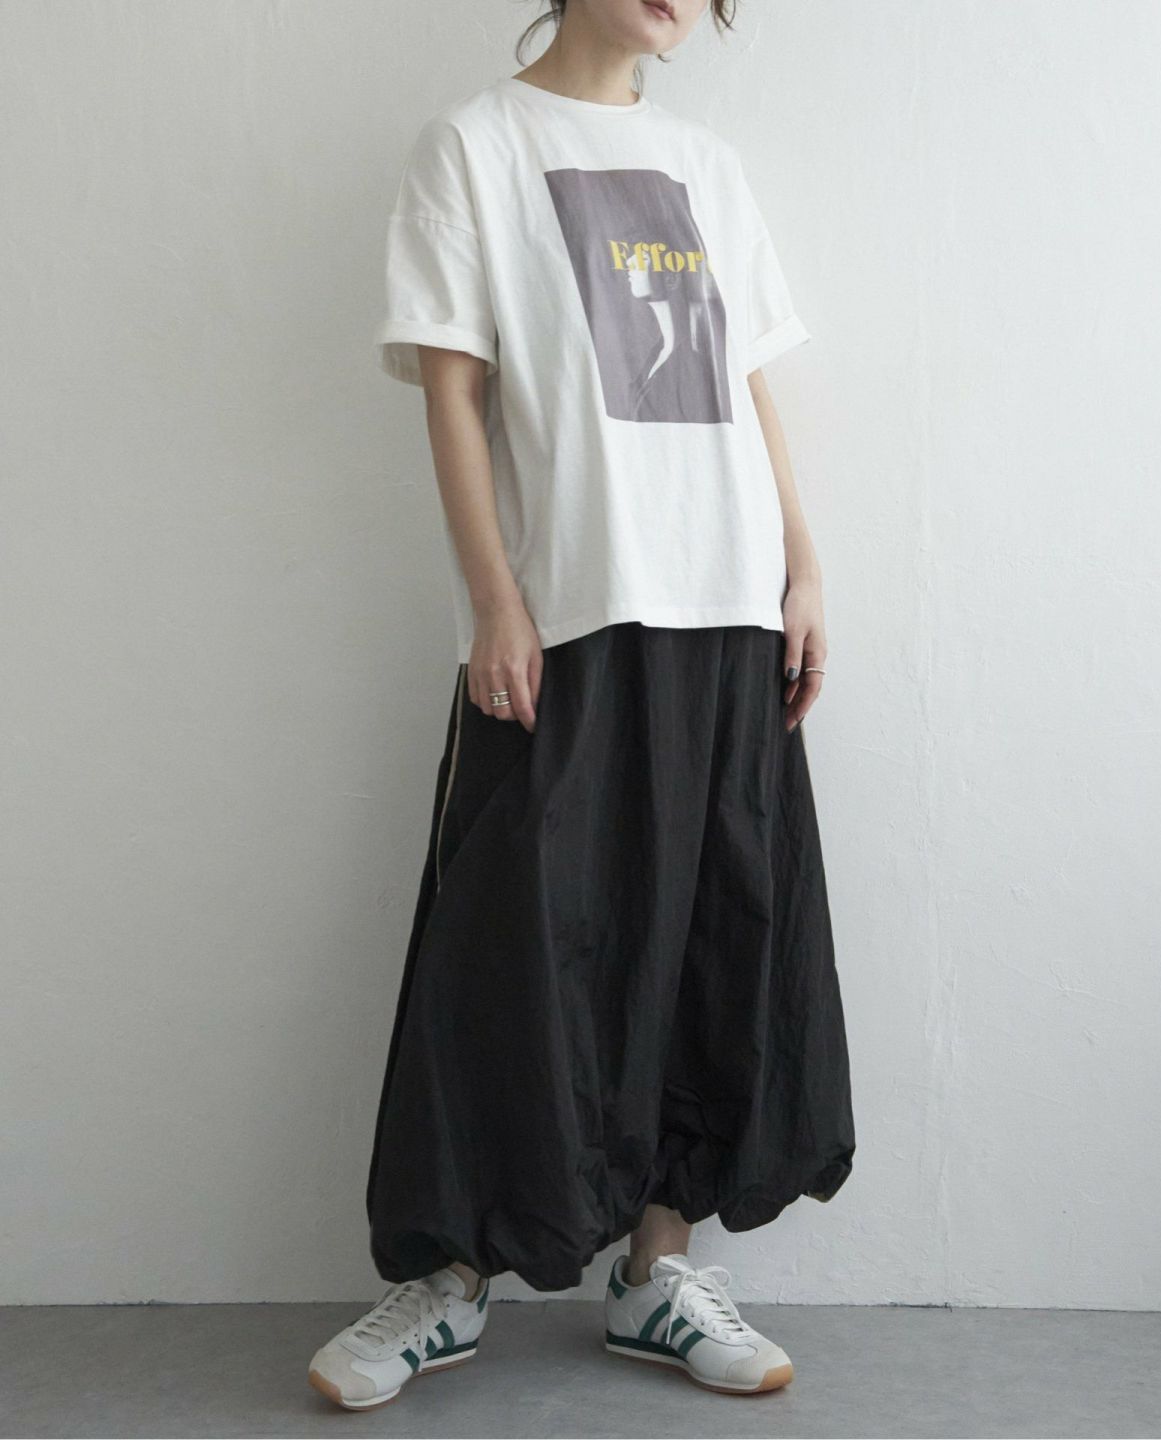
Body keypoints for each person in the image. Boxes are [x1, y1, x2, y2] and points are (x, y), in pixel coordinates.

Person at [308, 0, 855, 1410]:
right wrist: (493, 596)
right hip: (570, 603)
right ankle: (447, 1279)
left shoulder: (707, 165)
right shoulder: (475, 147)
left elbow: (744, 378)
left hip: (727, 600)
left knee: (710, 934)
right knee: (510, 936)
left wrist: (800, 560)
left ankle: (656, 1272)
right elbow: (451, 386)